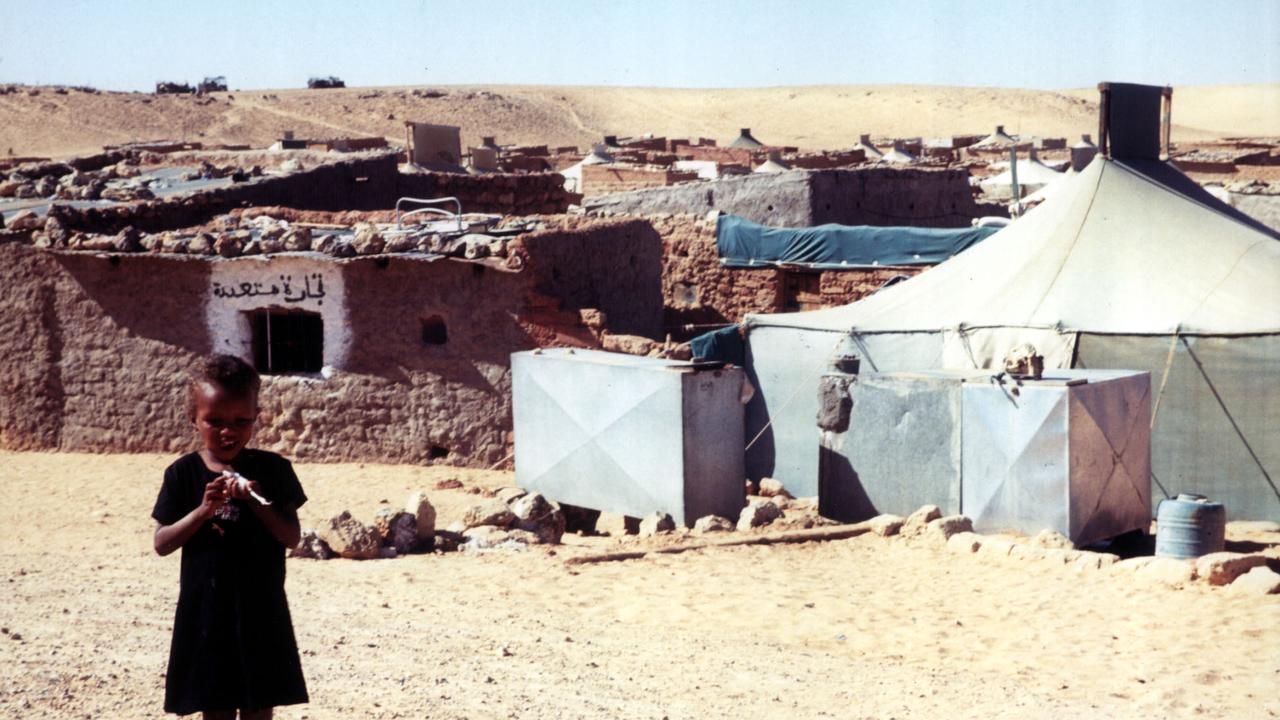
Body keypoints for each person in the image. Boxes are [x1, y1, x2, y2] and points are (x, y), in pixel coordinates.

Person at [152, 354, 309, 719]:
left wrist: (257, 503)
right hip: (207, 613)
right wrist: (203, 511)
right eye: (214, 421)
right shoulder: (182, 474)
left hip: (261, 610)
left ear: (256, 417)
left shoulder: (274, 470)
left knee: (259, 707)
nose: (228, 431)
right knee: (215, 706)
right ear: (194, 418)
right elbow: (162, 543)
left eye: (241, 421)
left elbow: (291, 537)